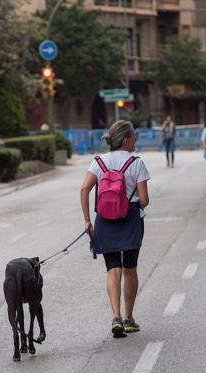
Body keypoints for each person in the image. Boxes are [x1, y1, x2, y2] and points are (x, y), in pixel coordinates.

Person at [80, 120, 151, 337]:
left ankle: (116, 317)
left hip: (105, 220)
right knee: (130, 268)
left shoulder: (99, 162)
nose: (135, 141)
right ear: (127, 139)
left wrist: (87, 220)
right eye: (134, 137)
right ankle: (129, 319)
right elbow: (145, 200)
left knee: (113, 269)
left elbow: (84, 189)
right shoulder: (136, 163)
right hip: (130, 219)